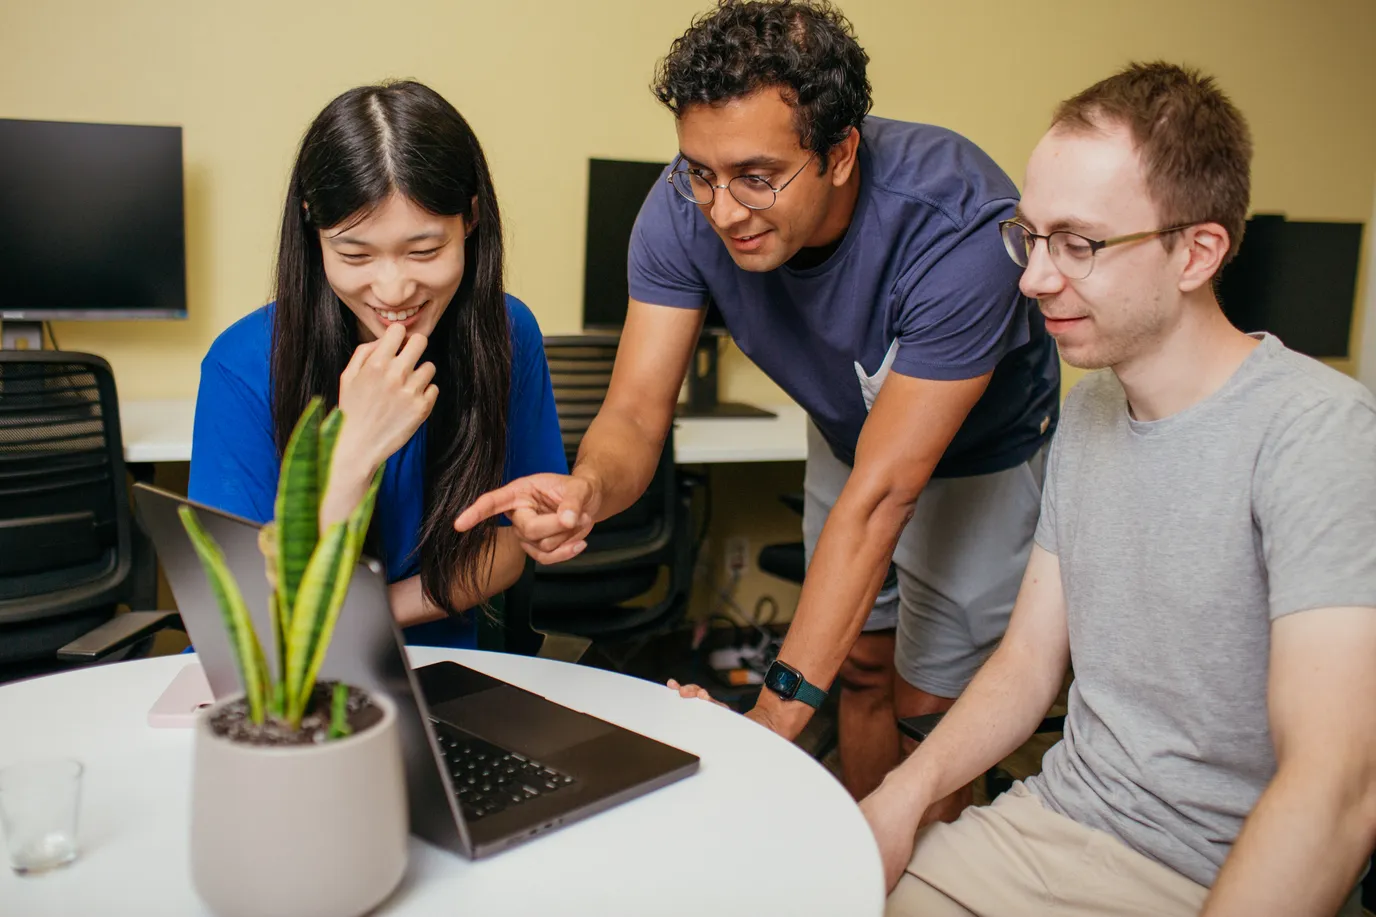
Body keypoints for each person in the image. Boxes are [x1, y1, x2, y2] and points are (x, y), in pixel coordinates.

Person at [457, 0, 1059, 806]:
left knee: (927, 707)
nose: (722, 209)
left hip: (984, 455)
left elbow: (884, 499)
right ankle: (865, 859)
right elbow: (635, 414)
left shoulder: (958, 230)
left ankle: (916, 874)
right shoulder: (684, 208)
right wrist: (588, 489)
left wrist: (769, 718)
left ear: (840, 152)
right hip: (849, 435)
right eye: (700, 171)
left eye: (756, 177)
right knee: (860, 666)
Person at [862, 61, 1376, 917]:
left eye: (1078, 243)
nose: (1033, 278)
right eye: (1028, 236)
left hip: (1212, 872)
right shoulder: (1095, 404)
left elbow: (1337, 792)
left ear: (1197, 252)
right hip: (1053, 823)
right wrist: (901, 795)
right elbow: (1028, 665)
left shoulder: (1320, 434)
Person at [189, 80, 565, 648]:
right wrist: (354, 452)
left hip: (443, 672)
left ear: (471, 219)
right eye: (355, 254)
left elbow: (509, 544)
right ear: (313, 226)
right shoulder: (242, 363)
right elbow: (250, 610)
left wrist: (366, 615)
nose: (393, 289)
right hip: (281, 678)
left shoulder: (509, 335)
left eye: (424, 251)